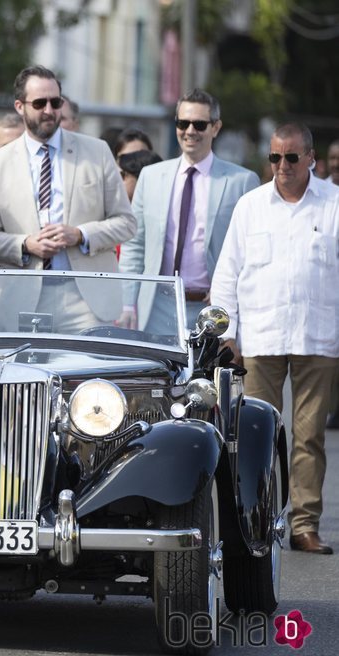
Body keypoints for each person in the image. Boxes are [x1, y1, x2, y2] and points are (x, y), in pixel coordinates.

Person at [210, 123, 339, 555]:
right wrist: (228, 334)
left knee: (309, 436)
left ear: (311, 159)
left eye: (291, 158)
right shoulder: (250, 206)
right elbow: (227, 274)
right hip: (261, 337)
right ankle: (257, 523)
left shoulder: (334, 204)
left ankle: (304, 525)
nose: (281, 167)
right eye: (274, 158)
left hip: (318, 336)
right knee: (257, 434)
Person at [0, 65, 135, 332]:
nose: (49, 110)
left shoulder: (96, 152)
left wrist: (81, 235)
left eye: (55, 102)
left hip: (86, 299)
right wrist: (26, 244)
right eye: (39, 103)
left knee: (89, 373)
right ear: (19, 106)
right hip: (23, 299)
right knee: (28, 375)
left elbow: (126, 223)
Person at [118, 88, 259, 332]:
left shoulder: (242, 181)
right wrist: (128, 304)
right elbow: (135, 245)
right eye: (183, 123)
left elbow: (252, 251)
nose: (190, 131)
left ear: (215, 128)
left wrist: (228, 293)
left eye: (199, 124)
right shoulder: (151, 177)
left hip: (213, 309)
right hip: (156, 306)